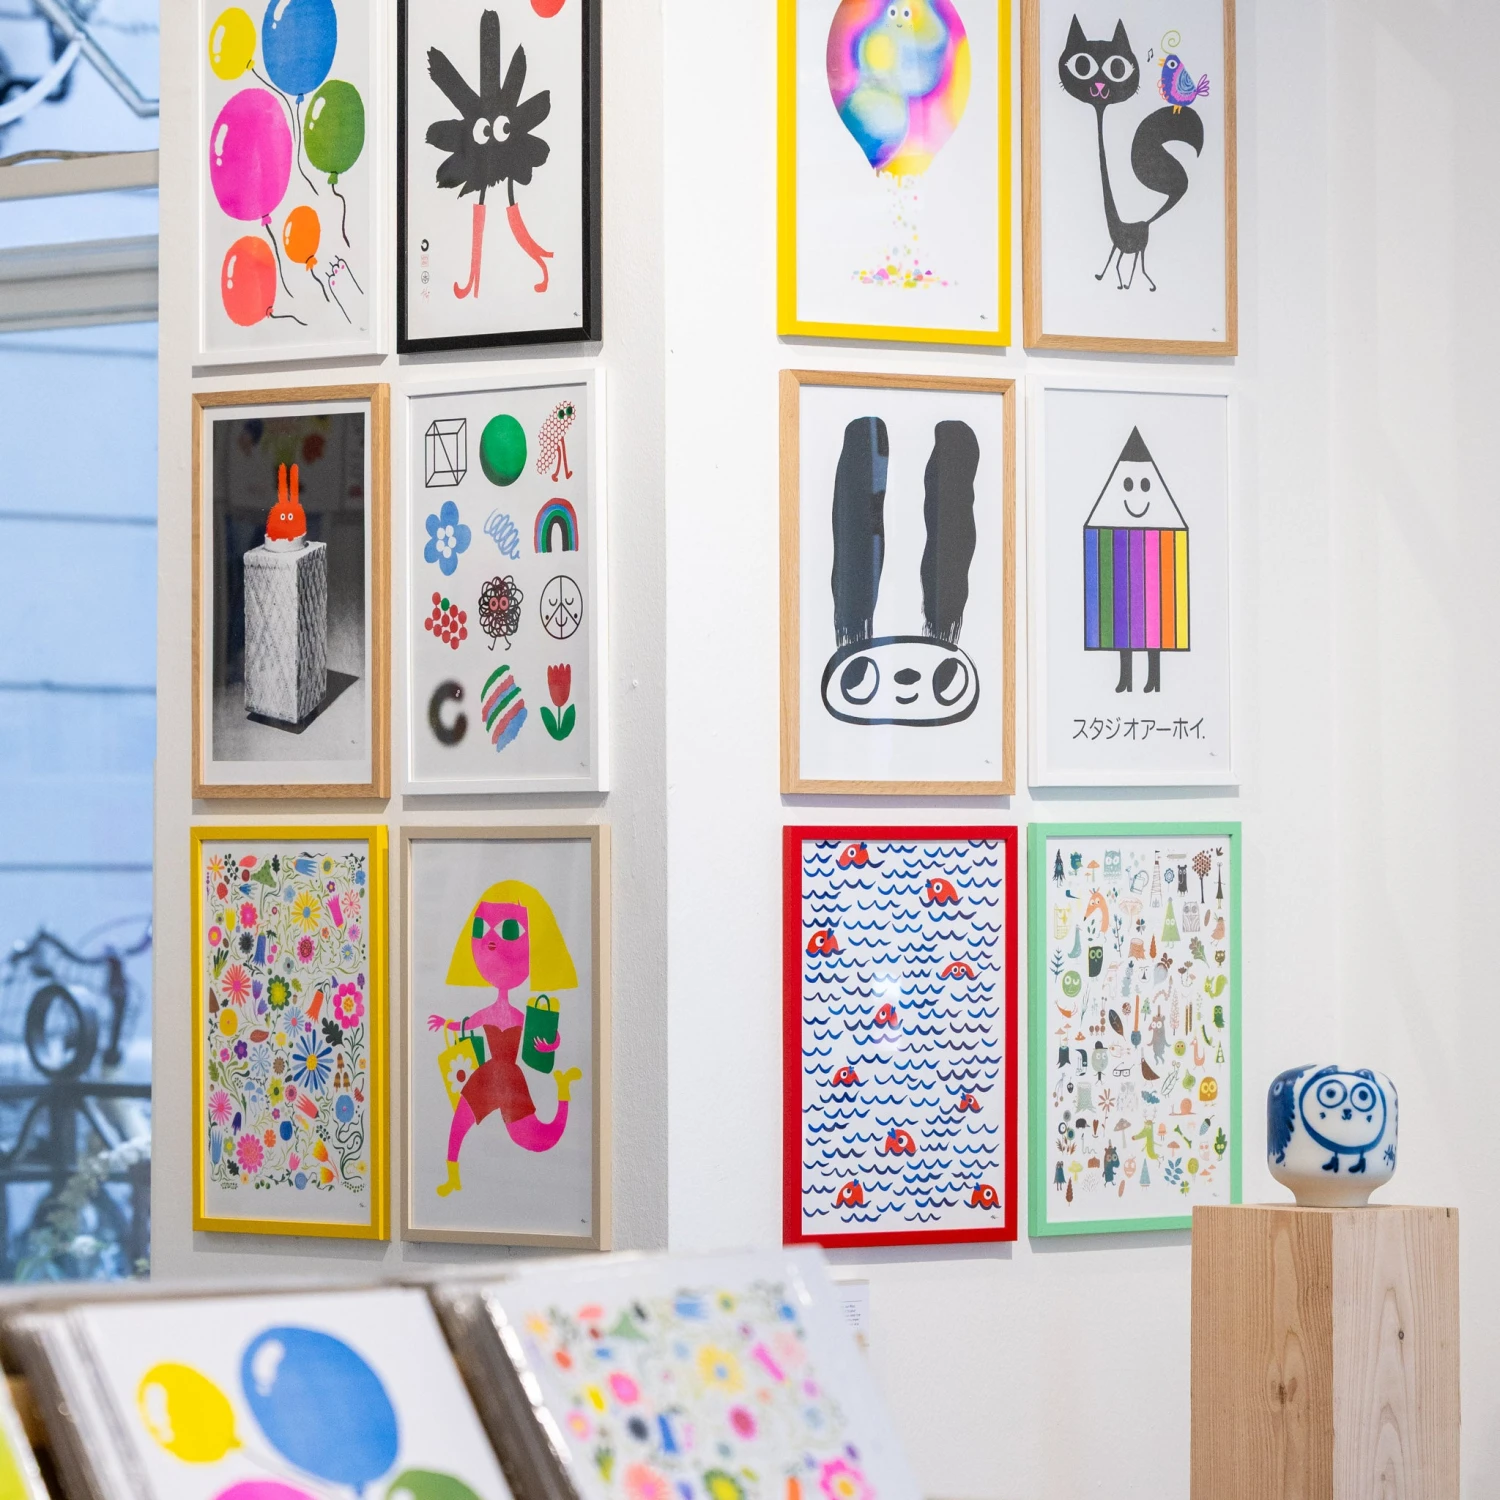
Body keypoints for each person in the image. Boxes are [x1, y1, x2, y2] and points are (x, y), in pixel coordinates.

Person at [428, 880, 580, 1197]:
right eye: (483, 930)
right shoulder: (489, 1012)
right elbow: (466, 1024)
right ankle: (453, 1177)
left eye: (509, 930)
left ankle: (564, 1092)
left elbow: (548, 1036)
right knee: (459, 1123)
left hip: (510, 1080)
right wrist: (445, 1023)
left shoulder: (518, 1015)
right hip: (487, 1077)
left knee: (534, 1137)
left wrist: (551, 1044)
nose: (492, 940)